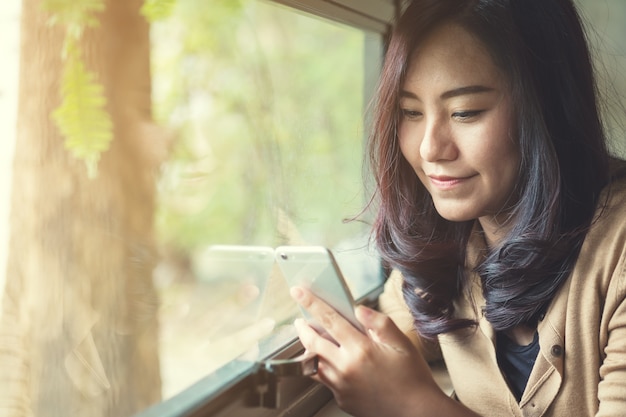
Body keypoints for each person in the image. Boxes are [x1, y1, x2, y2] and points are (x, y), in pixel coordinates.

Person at [289, 0, 626, 416]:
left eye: (465, 112)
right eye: (410, 112)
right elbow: (406, 329)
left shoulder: (617, 251)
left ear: (548, 106)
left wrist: (413, 405)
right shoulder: (450, 238)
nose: (430, 148)